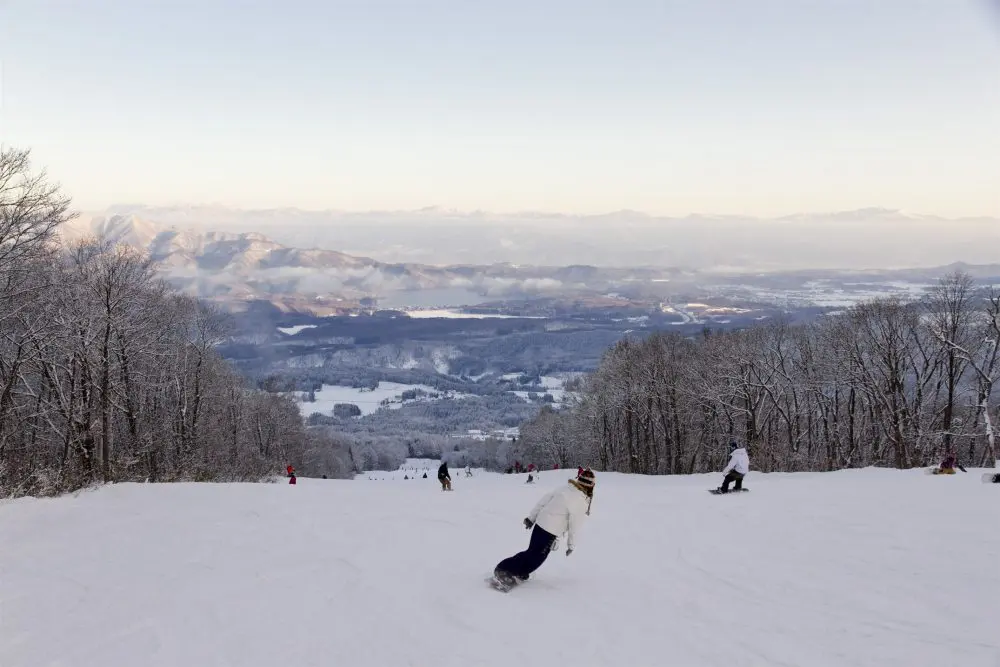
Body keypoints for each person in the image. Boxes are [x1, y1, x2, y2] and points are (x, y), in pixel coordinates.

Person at [492, 468, 596, 590]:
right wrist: (571, 545)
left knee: (532, 553)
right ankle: (503, 569)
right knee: (535, 557)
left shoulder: (564, 488)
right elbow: (575, 526)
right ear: (590, 486)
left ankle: (519, 572)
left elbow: (542, 502)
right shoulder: (580, 501)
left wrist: (532, 518)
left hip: (540, 524)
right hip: (549, 531)